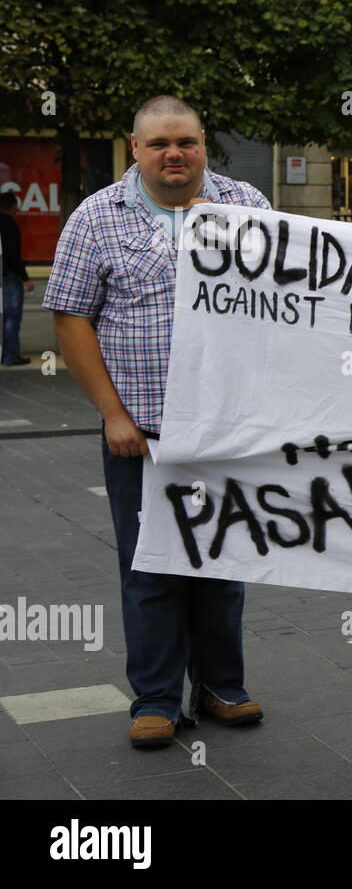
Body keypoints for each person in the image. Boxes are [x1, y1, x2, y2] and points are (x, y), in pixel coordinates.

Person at [44, 95, 266, 749]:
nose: (175, 154)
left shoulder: (246, 205)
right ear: (135, 149)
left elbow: (287, 302)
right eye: (160, 143)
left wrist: (226, 239)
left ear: (205, 146)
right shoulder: (96, 218)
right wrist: (112, 413)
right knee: (151, 570)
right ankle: (157, 699)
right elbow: (70, 317)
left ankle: (224, 687)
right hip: (140, 432)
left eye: (187, 142)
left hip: (227, 431)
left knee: (221, 565)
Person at [1, 191, 34, 365]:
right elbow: (13, 254)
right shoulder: (10, 225)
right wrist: (25, 278)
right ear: (13, 206)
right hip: (8, 276)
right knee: (12, 316)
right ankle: (10, 355)